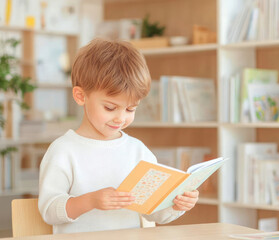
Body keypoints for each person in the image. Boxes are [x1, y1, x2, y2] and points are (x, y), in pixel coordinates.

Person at [38, 39, 199, 234]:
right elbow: (49, 211)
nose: (121, 118)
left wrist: (176, 205)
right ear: (81, 96)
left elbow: (153, 213)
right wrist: (90, 201)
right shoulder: (64, 150)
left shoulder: (137, 151)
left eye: (131, 109)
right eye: (110, 107)